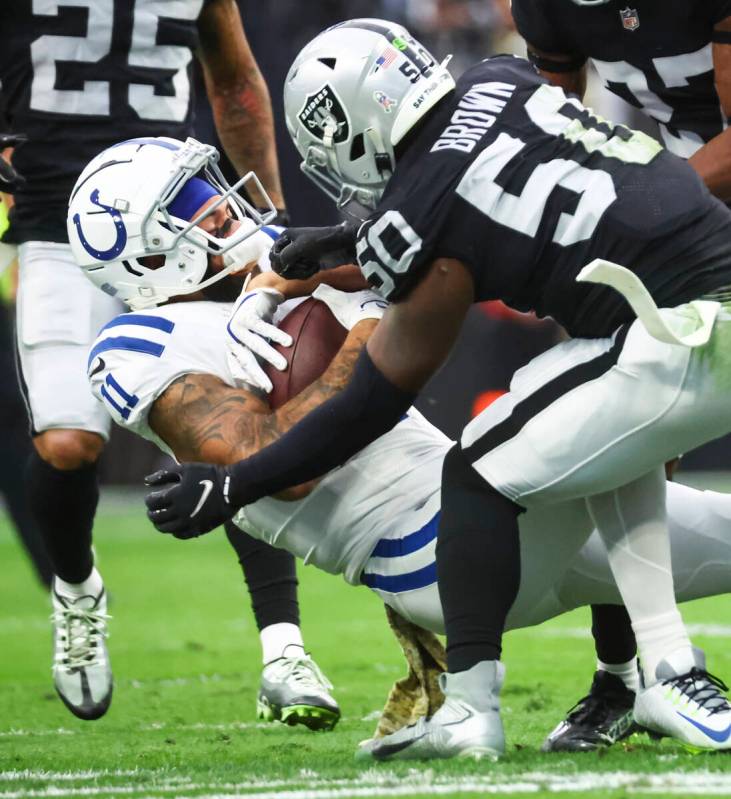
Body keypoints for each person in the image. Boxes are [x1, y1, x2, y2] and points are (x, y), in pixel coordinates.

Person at [143, 19, 731, 757]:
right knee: (608, 439)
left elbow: (374, 398)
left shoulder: (418, 215)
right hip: (702, 299)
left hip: (677, 332)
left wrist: (233, 488)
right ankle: (667, 668)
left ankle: (471, 708)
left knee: (477, 468)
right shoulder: (501, 79)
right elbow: (487, 184)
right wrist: (343, 241)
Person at [0, 0, 314, 724]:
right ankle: (76, 591)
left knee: (231, 414)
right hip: (56, 223)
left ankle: (283, 647)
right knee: (67, 442)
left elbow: (233, 81)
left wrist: (266, 216)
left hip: (173, 220)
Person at [508, 0, 731, 750]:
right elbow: (550, 136)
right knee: (621, 433)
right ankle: (623, 676)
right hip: (691, 215)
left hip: (690, 205)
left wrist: (625, 211)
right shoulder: (546, 7)